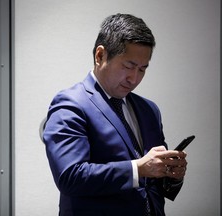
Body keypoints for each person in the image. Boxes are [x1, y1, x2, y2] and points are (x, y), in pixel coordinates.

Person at [43, 13, 188, 216]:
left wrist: (172, 175)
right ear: (100, 55)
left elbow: (153, 186)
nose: (134, 78)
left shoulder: (149, 110)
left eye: (142, 69)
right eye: (128, 66)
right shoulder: (71, 103)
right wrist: (138, 168)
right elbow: (70, 177)